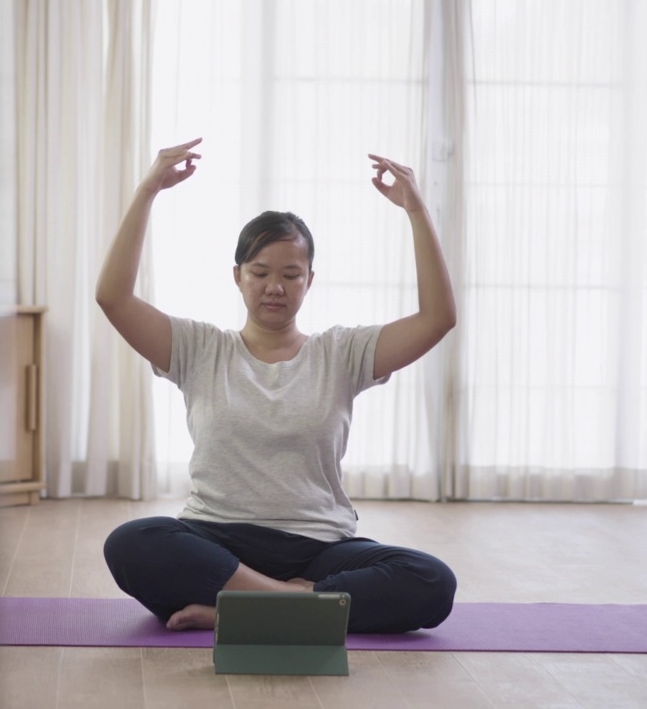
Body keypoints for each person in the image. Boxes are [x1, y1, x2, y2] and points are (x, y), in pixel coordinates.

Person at [95, 137, 458, 634]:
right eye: (260, 272)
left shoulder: (341, 353)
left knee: (431, 581)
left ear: (310, 279)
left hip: (320, 549)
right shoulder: (199, 348)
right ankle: (296, 607)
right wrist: (148, 191)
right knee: (132, 542)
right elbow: (113, 298)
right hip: (216, 542)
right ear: (238, 277)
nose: (275, 286)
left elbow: (438, 318)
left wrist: (417, 210)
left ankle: (246, 610)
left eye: (291, 274)